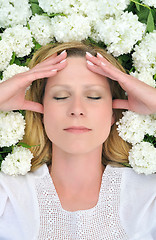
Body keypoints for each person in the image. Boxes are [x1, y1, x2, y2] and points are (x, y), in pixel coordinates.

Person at [0, 41, 156, 240]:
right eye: (60, 96)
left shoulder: (148, 197)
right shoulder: (9, 196)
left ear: (113, 114)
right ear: (41, 111)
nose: (76, 109)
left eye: (93, 96)